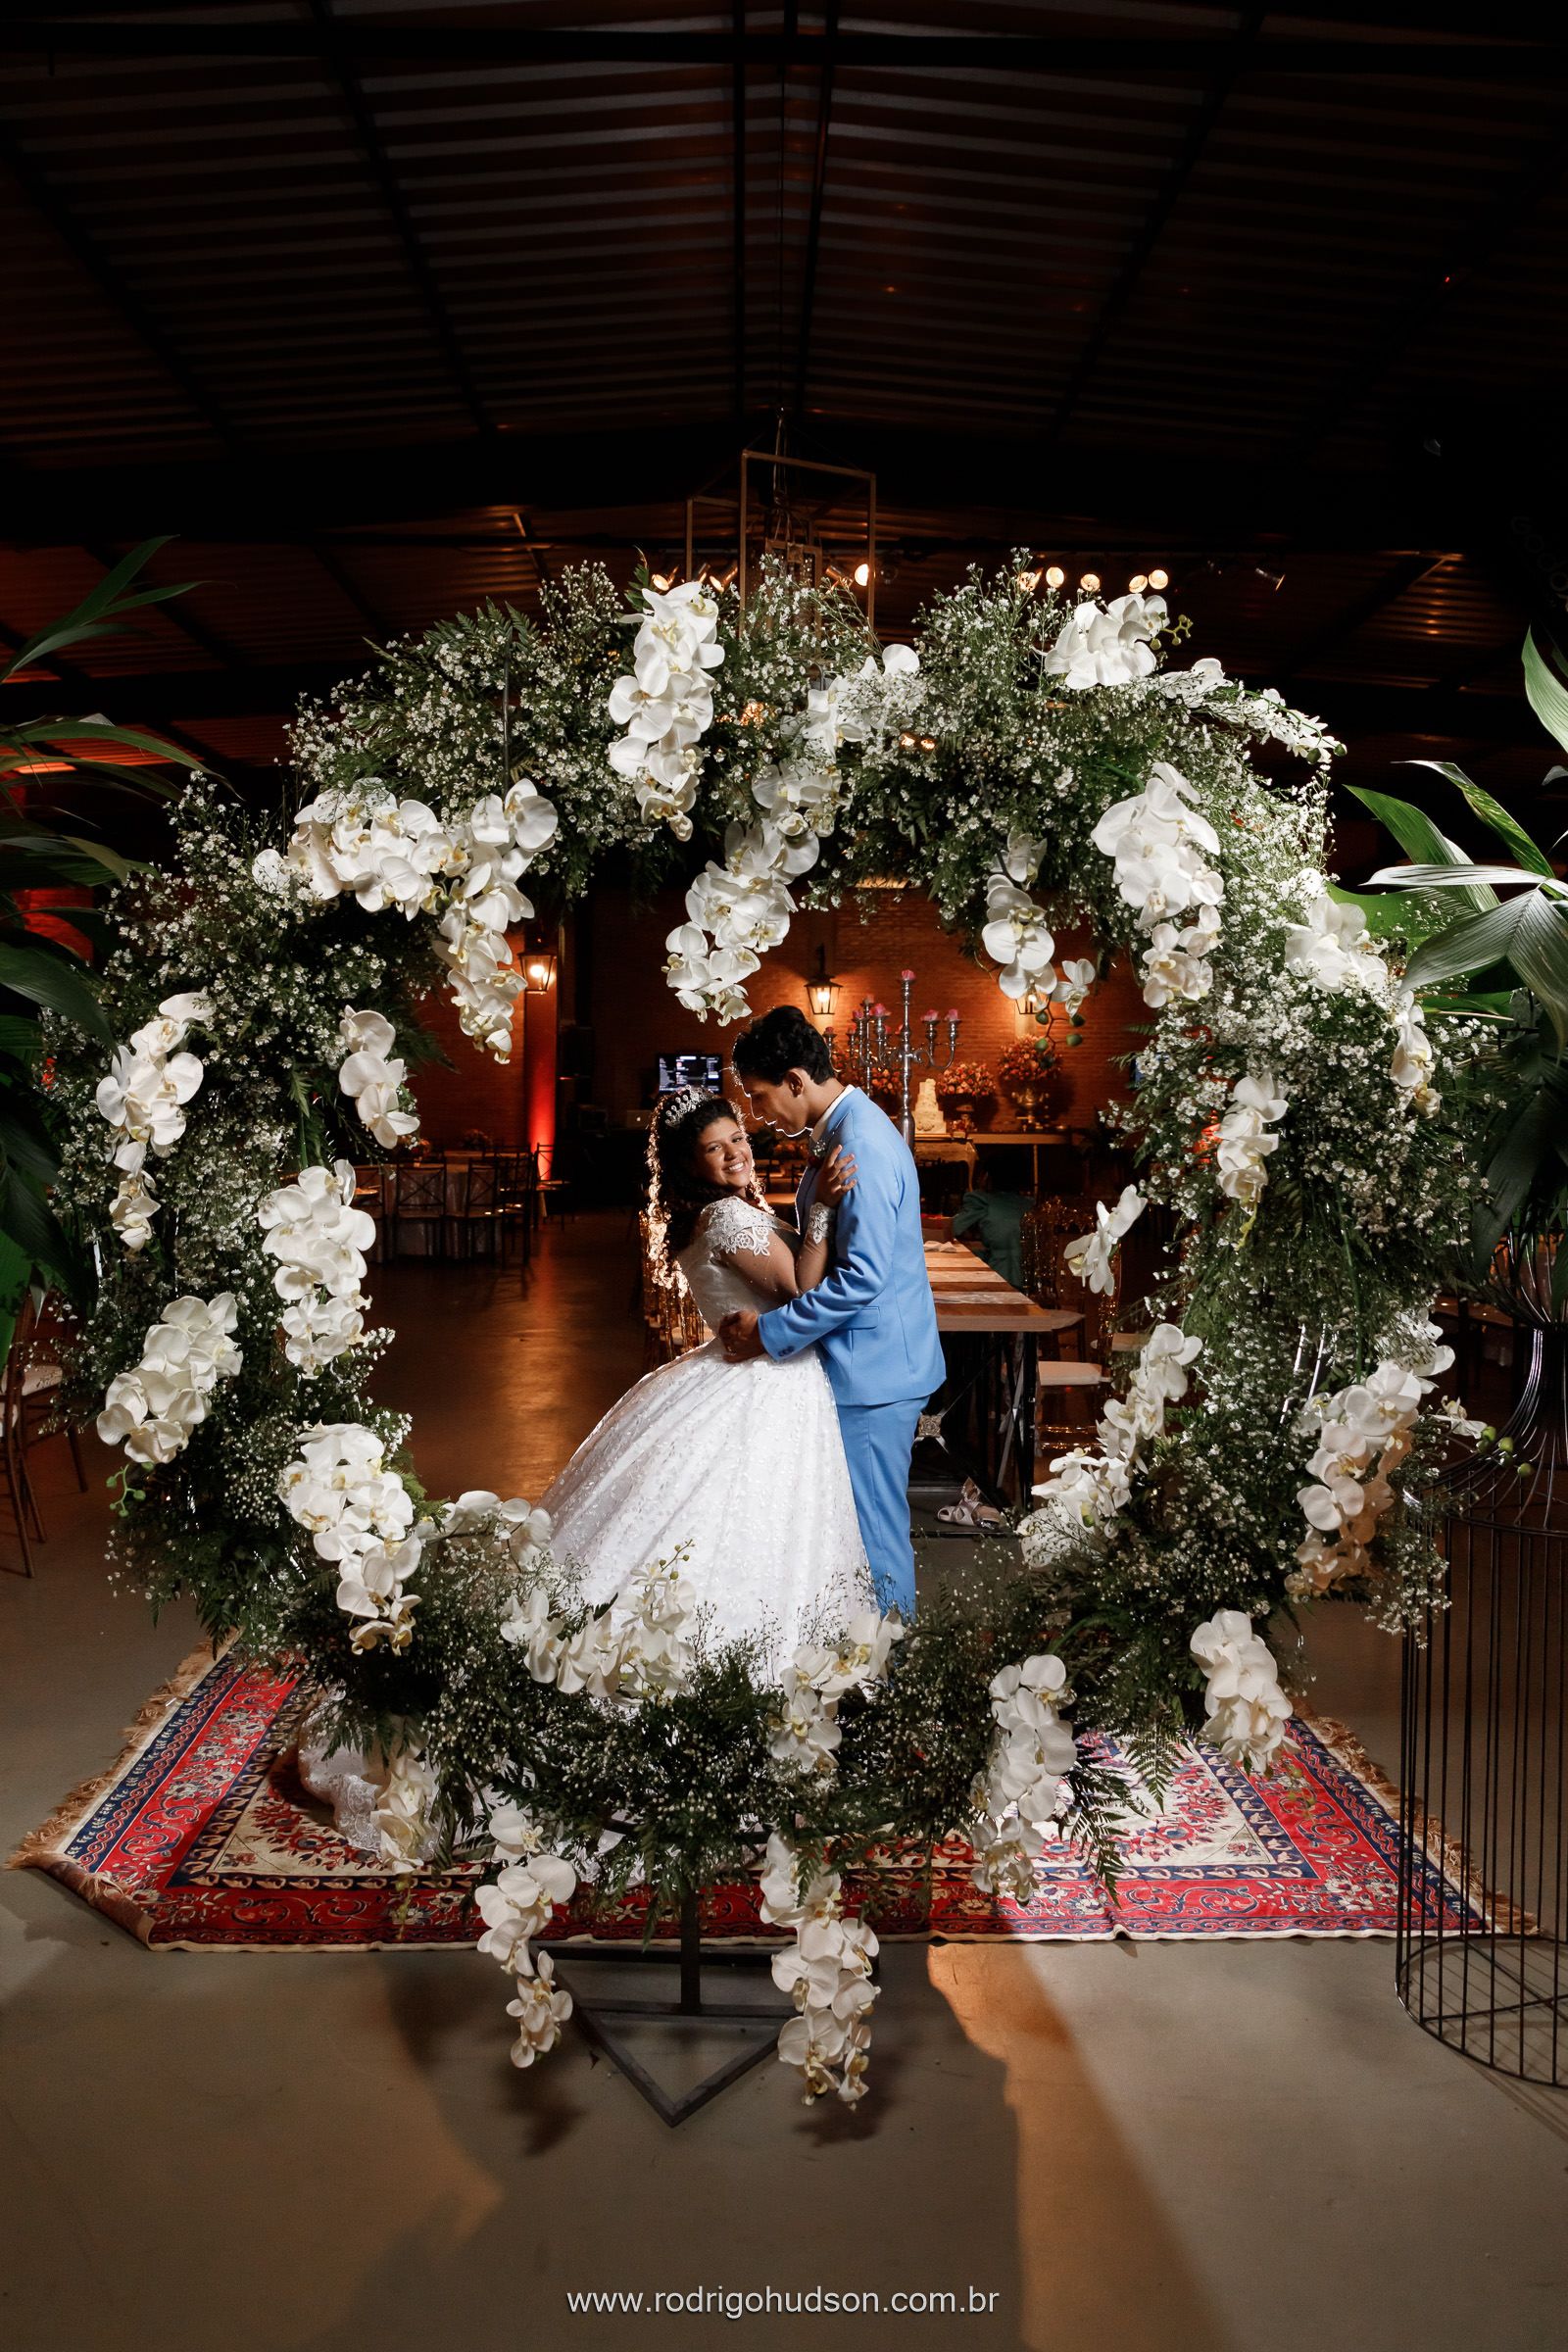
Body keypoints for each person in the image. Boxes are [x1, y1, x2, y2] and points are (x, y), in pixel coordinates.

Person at [538, 1086, 874, 1671]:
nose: (734, 1153)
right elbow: (799, 1289)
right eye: (715, 1149)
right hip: (767, 1379)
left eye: (738, 1138)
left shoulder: (721, 1210)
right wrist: (819, 1210)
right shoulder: (722, 1216)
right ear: (691, 1164)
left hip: (751, 1370)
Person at [720, 1005, 946, 1620]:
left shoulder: (862, 1144)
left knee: (874, 1535)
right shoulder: (845, 1130)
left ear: (796, 1080)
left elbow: (862, 1280)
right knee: (854, 1530)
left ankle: (891, 1680)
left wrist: (769, 1333)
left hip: (874, 1371)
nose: (761, 1116)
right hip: (866, 1362)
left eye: (762, 1098)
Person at [951, 1148, 1034, 1291]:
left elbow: (954, 1228)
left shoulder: (981, 1200)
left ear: (987, 1176)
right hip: (1027, 1274)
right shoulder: (1030, 1204)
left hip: (999, 1272)